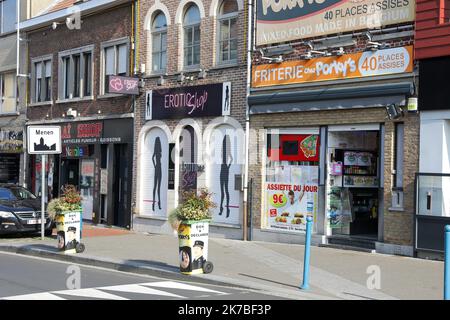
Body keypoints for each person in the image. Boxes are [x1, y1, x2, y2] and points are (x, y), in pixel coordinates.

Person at [152, 137, 162, 211]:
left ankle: (156, 204)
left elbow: (152, 158)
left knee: (156, 187)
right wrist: (155, 165)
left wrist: (154, 165)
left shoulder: (156, 151)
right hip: (159, 168)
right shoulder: (158, 152)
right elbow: (152, 158)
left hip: (157, 168)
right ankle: (156, 203)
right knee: (157, 187)